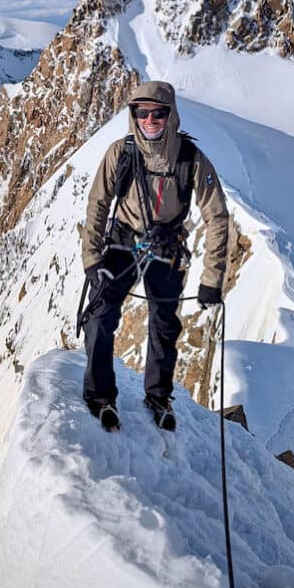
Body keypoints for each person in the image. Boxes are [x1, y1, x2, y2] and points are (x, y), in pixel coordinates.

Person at [79, 81, 229, 431]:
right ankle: (101, 397)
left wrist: (211, 279)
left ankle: (158, 397)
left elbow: (216, 215)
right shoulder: (122, 153)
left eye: (158, 113)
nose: (150, 120)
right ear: (133, 115)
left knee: (164, 324)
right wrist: (92, 258)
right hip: (123, 240)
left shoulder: (190, 158)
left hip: (167, 245)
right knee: (100, 317)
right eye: (142, 113)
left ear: (170, 114)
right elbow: (98, 203)